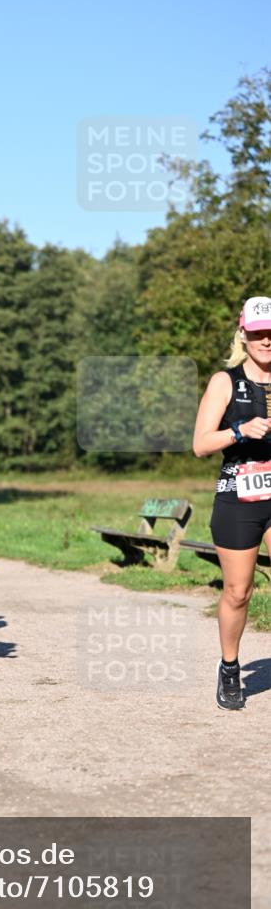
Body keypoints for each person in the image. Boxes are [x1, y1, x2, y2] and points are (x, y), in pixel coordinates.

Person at [193, 295, 271, 711]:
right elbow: (200, 444)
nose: (266, 340)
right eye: (258, 332)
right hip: (238, 499)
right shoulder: (225, 382)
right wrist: (239, 431)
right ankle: (229, 666)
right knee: (239, 592)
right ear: (244, 333)